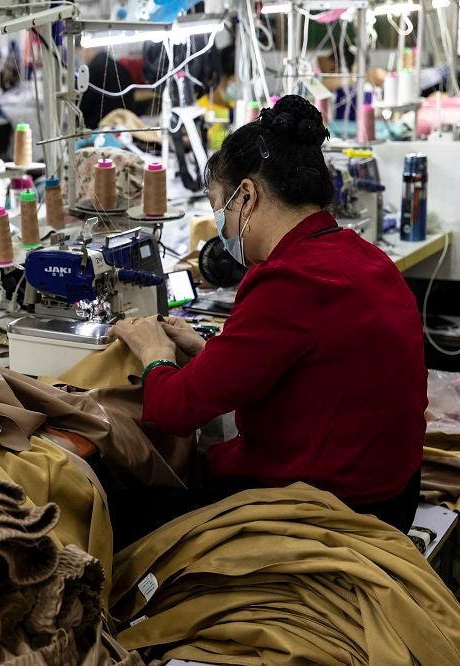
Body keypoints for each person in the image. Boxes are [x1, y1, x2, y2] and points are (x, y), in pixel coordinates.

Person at [112, 95, 426, 533]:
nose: (220, 223)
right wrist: (209, 352)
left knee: (121, 510)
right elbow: (309, 369)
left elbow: (174, 412)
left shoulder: (288, 280)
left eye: (219, 206)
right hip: (391, 494)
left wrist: (154, 352)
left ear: (247, 195)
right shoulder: (364, 257)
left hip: (327, 513)